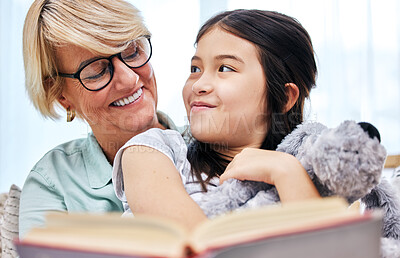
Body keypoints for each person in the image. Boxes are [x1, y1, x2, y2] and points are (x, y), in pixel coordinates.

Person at [112, 9, 320, 231]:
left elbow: (332, 253)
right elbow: (198, 243)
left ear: (284, 98)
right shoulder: (152, 152)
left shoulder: (307, 167)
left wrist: (287, 171)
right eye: (195, 69)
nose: (199, 85)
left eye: (225, 68)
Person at [19, 0, 176, 238]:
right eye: (97, 71)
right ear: (62, 95)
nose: (130, 80)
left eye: (132, 51)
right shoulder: (52, 182)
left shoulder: (218, 144)